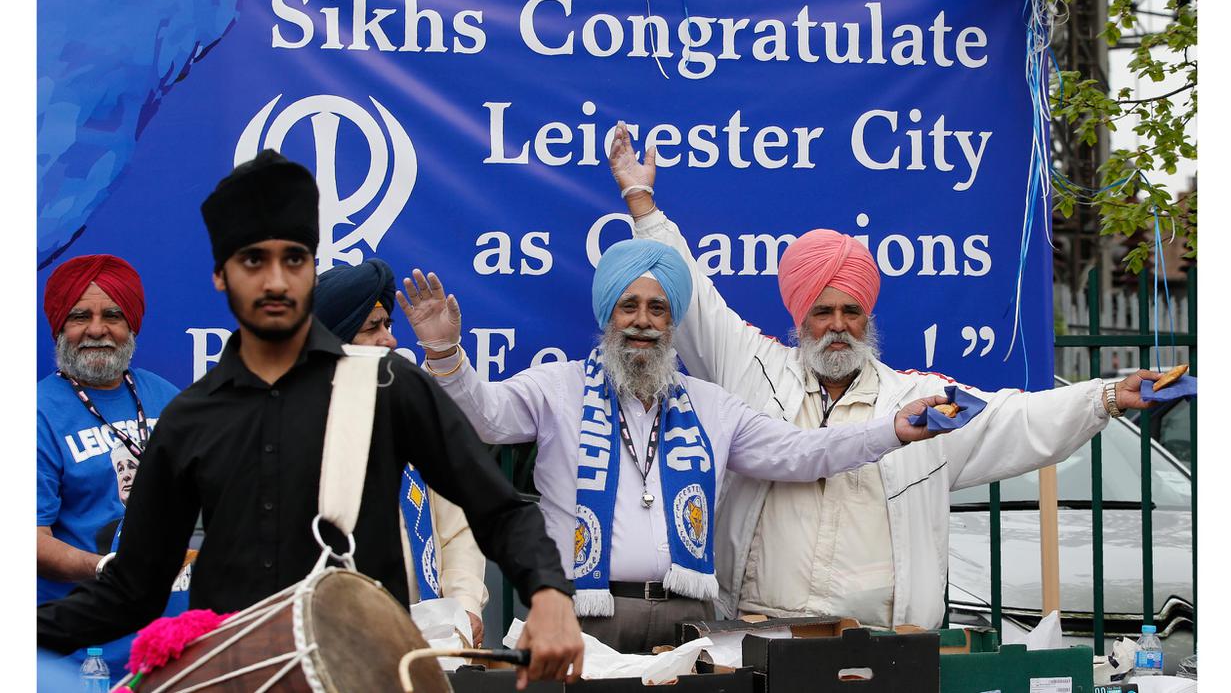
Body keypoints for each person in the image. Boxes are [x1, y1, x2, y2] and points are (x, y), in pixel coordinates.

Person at [38, 150, 584, 690]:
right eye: (254, 260)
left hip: (372, 675)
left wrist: (550, 594)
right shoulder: (188, 418)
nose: (275, 280)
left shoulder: (388, 386)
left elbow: (499, 510)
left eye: (292, 259)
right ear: (222, 278)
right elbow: (130, 591)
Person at [607, 122, 1164, 629]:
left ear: (868, 318)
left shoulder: (916, 400)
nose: (837, 327)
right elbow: (696, 297)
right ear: (800, 318)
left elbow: (1014, 419)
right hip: (757, 632)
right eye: (822, 313)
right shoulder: (753, 369)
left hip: (883, 645)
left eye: (851, 312)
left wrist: (1108, 395)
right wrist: (641, 201)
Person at [396, 239, 944, 653]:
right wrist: (445, 354)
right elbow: (485, 418)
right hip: (586, 616)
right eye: (628, 306)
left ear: (674, 320)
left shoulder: (711, 405)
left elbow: (802, 453)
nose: (643, 322)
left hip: (688, 621)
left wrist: (890, 430)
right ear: (608, 313)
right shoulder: (555, 388)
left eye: (658, 309)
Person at [314, 257, 489, 646]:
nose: (390, 340)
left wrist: (465, 605)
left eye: (388, 325)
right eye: (372, 329)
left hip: (426, 644)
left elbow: (458, 531)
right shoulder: (294, 432)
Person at [36, 254, 186, 677]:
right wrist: (106, 568)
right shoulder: (35, 413)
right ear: (60, 325)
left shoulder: (168, 397)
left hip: (173, 653)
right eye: (80, 316)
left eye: (113, 315)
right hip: (82, 662)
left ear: (131, 325)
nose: (97, 329)